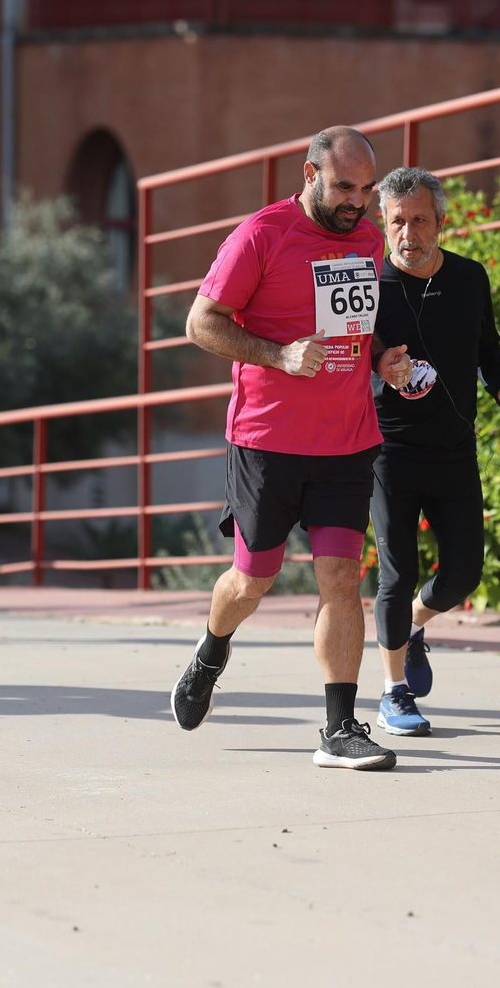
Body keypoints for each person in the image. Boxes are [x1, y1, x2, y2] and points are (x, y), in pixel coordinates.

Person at [172, 125, 414, 771]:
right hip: (267, 440)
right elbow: (200, 322)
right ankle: (212, 647)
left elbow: (363, 322)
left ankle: (340, 727)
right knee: (253, 579)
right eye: (343, 187)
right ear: (309, 175)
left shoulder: (365, 236)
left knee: (341, 577)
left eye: (366, 189)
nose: (357, 202)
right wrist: (278, 353)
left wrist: (386, 358)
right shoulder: (261, 235)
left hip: (346, 439)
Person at [368, 167, 500, 736]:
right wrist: (378, 367)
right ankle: (393, 692)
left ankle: (412, 627)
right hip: (389, 452)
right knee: (396, 573)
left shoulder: (468, 277)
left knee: (463, 573)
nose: (407, 233)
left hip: (455, 448)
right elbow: (343, 360)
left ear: (440, 222)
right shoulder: (369, 284)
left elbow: (488, 347)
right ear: (382, 224)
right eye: (395, 222)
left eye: (418, 220)